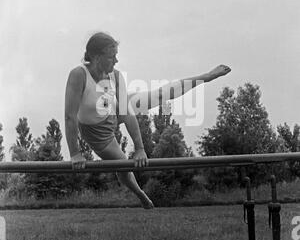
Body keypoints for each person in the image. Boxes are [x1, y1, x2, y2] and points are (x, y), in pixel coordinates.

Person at [64, 32, 231, 209]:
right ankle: (140, 193)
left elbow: (127, 113)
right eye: (112, 57)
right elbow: (70, 117)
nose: (116, 61)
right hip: (97, 132)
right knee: (123, 167)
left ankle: (205, 77)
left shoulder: (115, 75)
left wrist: (140, 148)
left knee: (160, 95)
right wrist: (75, 153)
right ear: (97, 57)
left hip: (111, 110)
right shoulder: (78, 75)